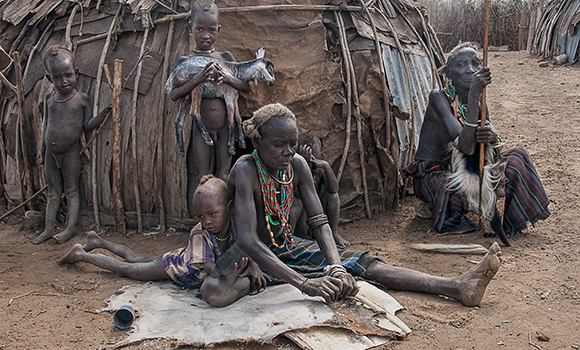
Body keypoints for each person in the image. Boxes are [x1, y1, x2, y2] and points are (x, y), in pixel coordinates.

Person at [228, 103, 501, 306]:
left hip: (287, 246)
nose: (289, 151)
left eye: (293, 143)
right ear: (257, 142)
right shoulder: (246, 170)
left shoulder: (296, 165)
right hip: (251, 255)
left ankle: (455, 285)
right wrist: (305, 283)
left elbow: (319, 222)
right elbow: (247, 239)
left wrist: (335, 265)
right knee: (221, 287)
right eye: (279, 145)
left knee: (361, 263)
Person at [403, 42, 550, 238]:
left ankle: (508, 224)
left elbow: (485, 149)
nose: (470, 70)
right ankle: (443, 207)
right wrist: (474, 96)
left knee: (517, 157)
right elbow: (466, 146)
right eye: (461, 64)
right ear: (449, 74)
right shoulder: (439, 98)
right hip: (436, 172)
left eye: (475, 63)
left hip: (467, 171)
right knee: (449, 189)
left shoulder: (480, 101)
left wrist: (490, 138)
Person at [59, 175, 269, 307]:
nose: (207, 221)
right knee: (127, 267)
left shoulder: (236, 225)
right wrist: (233, 274)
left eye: (212, 214)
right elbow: (211, 269)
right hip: (172, 267)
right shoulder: (199, 233)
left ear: (230, 208)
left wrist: (254, 265)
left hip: (178, 256)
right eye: (201, 216)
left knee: (135, 258)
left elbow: (248, 246)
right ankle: (82, 254)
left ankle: (97, 240)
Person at [169, 0, 251, 218]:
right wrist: (197, 78)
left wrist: (228, 78)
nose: (206, 35)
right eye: (200, 29)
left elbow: (246, 87)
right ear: (190, 29)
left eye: (211, 30)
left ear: (218, 30)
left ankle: (225, 220)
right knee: (200, 175)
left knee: (224, 173)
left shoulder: (225, 58)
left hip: (225, 128)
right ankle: (198, 223)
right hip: (201, 128)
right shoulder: (186, 61)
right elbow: (174, 94)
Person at [33, 45, 110, 245]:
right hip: (51, 154)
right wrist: (42, 151)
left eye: (68, 75)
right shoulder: (50, 99)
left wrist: (102, 116)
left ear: (75, 73)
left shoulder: (81, 99)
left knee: (72, 191)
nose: (64, 81)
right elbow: (47, 126)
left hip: (70, 153)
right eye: (57, 77)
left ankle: (69, 229)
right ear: (49, 79)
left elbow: (87, 126)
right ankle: (48, 229)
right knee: (52, 192)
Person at [289, 134, 350, 247]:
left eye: (315, 160)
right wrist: (305, 167)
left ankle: (333, 233)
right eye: (310, 161)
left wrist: (326, 166)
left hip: (319, 219)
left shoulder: (320, 169)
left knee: (333, 196)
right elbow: (297, 194)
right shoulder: (294, 168)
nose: (314, 165)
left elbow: (334, 189)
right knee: (297, 201)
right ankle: (292, 237)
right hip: (302, 221)